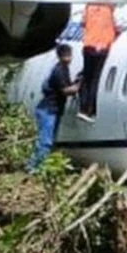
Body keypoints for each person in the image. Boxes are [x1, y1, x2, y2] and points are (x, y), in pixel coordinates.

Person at [26, 44, 80, 173]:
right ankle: (34, 168)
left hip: (52, 110)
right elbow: (66, 90)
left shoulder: (64, 69)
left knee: (48, 140)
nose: (69, 57)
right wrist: (80, 86)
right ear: (63, 56)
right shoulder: (59, 71)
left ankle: (39, 165)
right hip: (48, 110)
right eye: (67, 54)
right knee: (45, 141)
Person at [77, 2, 126, 123]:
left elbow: (82, 22)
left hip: (88, 46)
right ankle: (91, 110)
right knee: (95, 79)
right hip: (102, 47)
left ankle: (82, 109)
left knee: (87, 78)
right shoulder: (109, 10)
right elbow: (121, 26)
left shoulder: (89, 6)